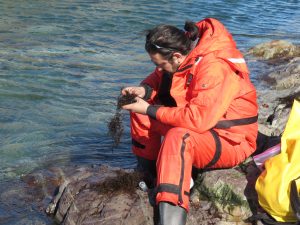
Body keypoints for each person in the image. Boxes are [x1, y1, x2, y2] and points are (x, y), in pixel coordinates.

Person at [121, 18, 258, 225]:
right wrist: (144, 91)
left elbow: (197, 120)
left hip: (232, 140)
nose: (158, 68)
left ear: (176, 56)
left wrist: (149, 108)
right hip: (207, 129)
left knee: (179, 136)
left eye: (160, 63)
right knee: (139, 111)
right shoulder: (185, 54)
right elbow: (159, 77)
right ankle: (152, 177)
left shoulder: (214, 67)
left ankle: (170, 215)